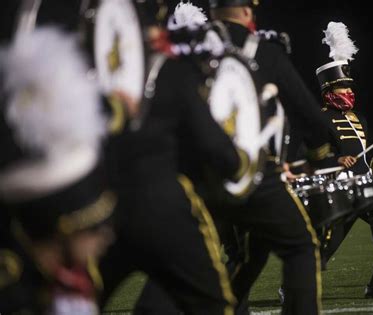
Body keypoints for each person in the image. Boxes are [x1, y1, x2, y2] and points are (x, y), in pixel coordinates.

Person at [96, 4, 246, 314]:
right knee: (213, 304)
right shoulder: (172, 71)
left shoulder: (94, 76)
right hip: (164, 210)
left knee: (75, 301)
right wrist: (238, 161)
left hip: (103, 213)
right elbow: (214, 146)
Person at [207, 1, 335, 314]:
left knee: (207, 256)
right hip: (259, 177)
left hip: (203, 179)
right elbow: (308, 115)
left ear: (212, 12)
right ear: (248, 12)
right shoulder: (266, 51)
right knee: (300, 247)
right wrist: (319, 156)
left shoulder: (188, 49)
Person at [0, 27, 114, 314]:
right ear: (60, 228)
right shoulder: (15, 294)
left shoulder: (56, 276)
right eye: (93, 226)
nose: (107, 235)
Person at [314, 22, 373, 299]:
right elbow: (310, 160)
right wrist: (336, 159)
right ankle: (290, 289)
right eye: (343, 87)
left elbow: (364, 162)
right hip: (342, 193)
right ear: (329, 91)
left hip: (366, 190)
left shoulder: (359, 119)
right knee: (324, 250)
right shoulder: (320, 120)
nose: (349, 92)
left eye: (349, 86)